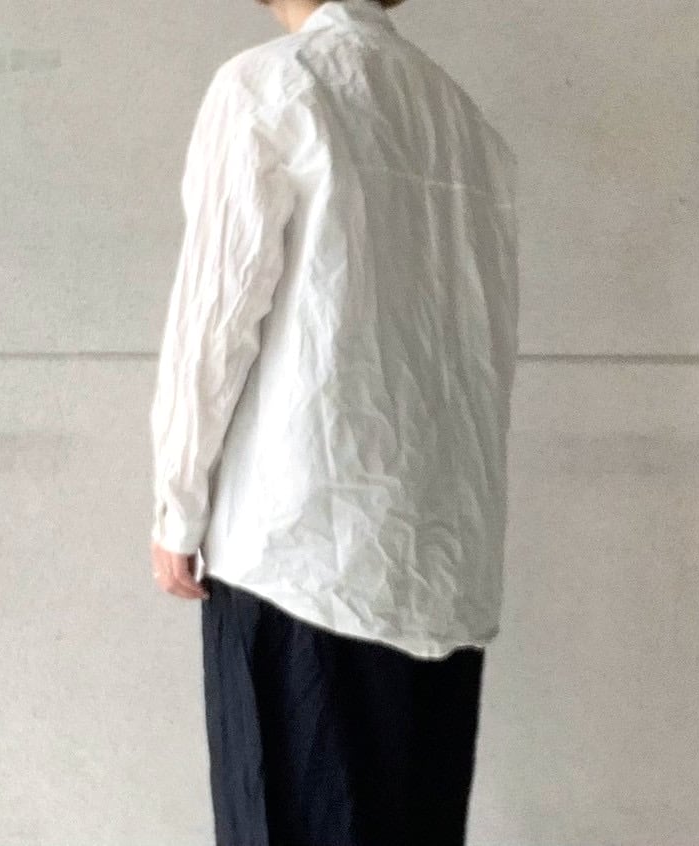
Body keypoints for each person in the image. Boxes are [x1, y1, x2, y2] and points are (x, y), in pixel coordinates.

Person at [146, 0, 519, 843]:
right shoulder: (461, 119)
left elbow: (215, 316)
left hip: (301, 549)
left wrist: (178, 506)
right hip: (441, 564)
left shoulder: (271, 86)